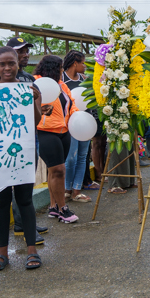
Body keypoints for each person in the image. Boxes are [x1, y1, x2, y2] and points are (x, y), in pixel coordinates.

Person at [0, 47, 43, 271]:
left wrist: (32, 101)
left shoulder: (29, 87)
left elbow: (36, 121)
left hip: (23, 152)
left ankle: (32, 250)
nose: (7, 68)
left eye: (11, 63)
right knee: (1, 202)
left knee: (25, 200)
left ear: (18, 64)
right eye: (3, 64)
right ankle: (2, 253)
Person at [34, 55, 79, 223]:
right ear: (52, 68)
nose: (62, 71)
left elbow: (72, 104)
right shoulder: (36, 83)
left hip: (64, 131)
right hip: (45, 131)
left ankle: (53, 207)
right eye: (60, 68)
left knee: (54, 171)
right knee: (59, 170)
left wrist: (75, 117)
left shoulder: (62, 86)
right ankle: (63, 209)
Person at [61, 50, 91, 203]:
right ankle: (67, 189)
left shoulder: (85, 80)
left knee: (82, 156)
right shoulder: (61, 81)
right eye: (83, 63)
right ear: (75, 63)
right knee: (70, 158)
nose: (85, 66)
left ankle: (77, 191)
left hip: (85, 123)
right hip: (69, 124)